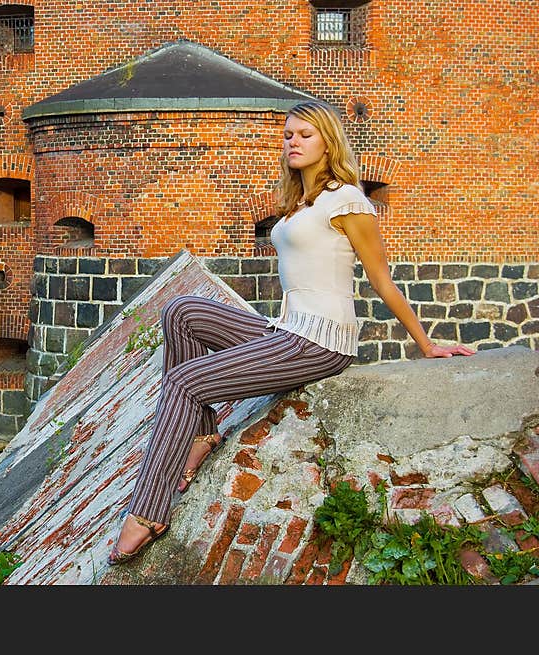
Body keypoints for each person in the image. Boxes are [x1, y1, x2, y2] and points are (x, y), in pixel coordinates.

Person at [107, 100, 477, 565]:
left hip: (321, 341)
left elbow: (381, 277)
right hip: (285, 329)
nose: (293, 142)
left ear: (328, 142)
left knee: (186, 381)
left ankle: (147, 510)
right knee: (182, 311)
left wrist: (426, 344)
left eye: (305, 134)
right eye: (288, 135)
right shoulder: (299, 201)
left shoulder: (347, 199)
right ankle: (202, 436)